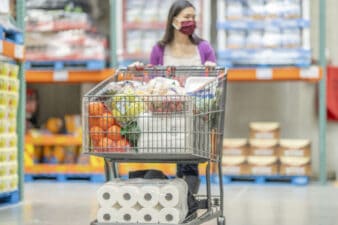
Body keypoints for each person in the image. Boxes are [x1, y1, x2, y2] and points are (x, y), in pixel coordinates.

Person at [149, 0, 217, 194]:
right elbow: (153, 83)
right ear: (174, 19)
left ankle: (186, 196)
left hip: (194, 113)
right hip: (166, 113)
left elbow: (213, 83)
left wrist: (210, 71)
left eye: (194, 17)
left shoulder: (203, 48)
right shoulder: (160, 49)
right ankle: (177, 195)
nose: (191, 21)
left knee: (189, 159)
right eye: (187, 17)